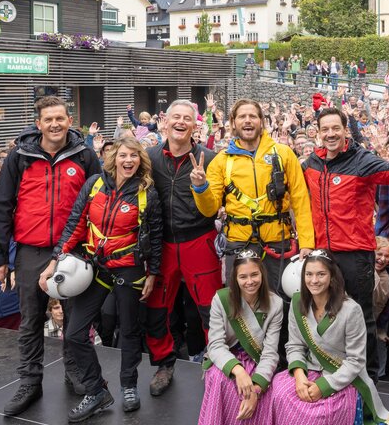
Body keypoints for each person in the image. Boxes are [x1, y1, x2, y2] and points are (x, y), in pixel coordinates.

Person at [302, 106, 389, 381]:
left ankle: (369, 381)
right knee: (323, 313)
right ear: (318, 133)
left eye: (335, 128)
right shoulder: (310, 165)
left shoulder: (361, 160)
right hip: (322, 254)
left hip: (355, 254)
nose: (330, 134)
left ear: (345, 131)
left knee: (360, 317)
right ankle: (331, 371)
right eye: (325, 129)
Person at [0, 95, 101, 416]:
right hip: (31, 251)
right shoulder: (19, 157)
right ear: (38, 124)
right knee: (31, 319)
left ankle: (75, 371)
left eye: (60, 119)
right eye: (48, 119)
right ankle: (30, 381)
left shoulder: (85, 156)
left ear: (69, 121)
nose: (55, 124)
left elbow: (98, 201)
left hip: (73, 251)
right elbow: (2, 206)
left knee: (75, 320)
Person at [40, 136, 163, 419]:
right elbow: (74, 223)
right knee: (74, 332)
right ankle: (96, 390)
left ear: (140, 160)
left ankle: (129, 385)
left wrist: (153, 273)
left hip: (129, 268)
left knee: (130, 329)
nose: (128, 160)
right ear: (114, 158)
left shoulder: (147, 193)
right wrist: (53, 262)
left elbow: (156, 237)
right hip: (94, 266)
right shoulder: (95, 184)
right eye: (123, 155)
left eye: (134, 156)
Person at [192, 98, 314, 291]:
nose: (247, 120)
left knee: (280, 301)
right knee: (240, 307)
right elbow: (209, 209)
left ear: (261, 122)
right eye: (242, 116)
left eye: (252, 116)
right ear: (233, 122)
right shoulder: (221, 161)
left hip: (277, 241)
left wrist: (307, 242)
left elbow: (300, 199)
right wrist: (200, 187)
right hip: (239, 242)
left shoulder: (284, 154)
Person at [142, 99, 219, 397]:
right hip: (162, 244)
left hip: (198, 240)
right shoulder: (148, 158)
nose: (181, 122)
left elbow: (217, 203)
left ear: (195, 125)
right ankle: (164, 363)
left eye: (187, 118)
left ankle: (217, 362)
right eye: (176, 116)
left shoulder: (210, 159)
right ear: (164, 120)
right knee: (157, 308)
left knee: (211, 308)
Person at [271, 249, 389, 425]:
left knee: (317, 415)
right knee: (279, 391)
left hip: (342, 377)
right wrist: (299, 376)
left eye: (321, 274)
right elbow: (294, 346)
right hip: (309, 371)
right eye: (309, 274)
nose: (314, 280)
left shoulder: (351, 309)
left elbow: (355, 361)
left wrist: (323, 387)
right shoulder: (297, 303)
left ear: (332, 277)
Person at [199, 250, 283, 424]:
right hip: (228, 359)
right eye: (243, 277)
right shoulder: (221, 300)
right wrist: (238, 371)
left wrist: (256, 390)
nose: (250, 281)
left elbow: (270, 353)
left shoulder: (275, 303)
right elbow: (215, 345)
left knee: (265, 392)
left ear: (262, 274)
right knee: (219, 379)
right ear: (235, 279)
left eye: (254, 275)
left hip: (258, 361)